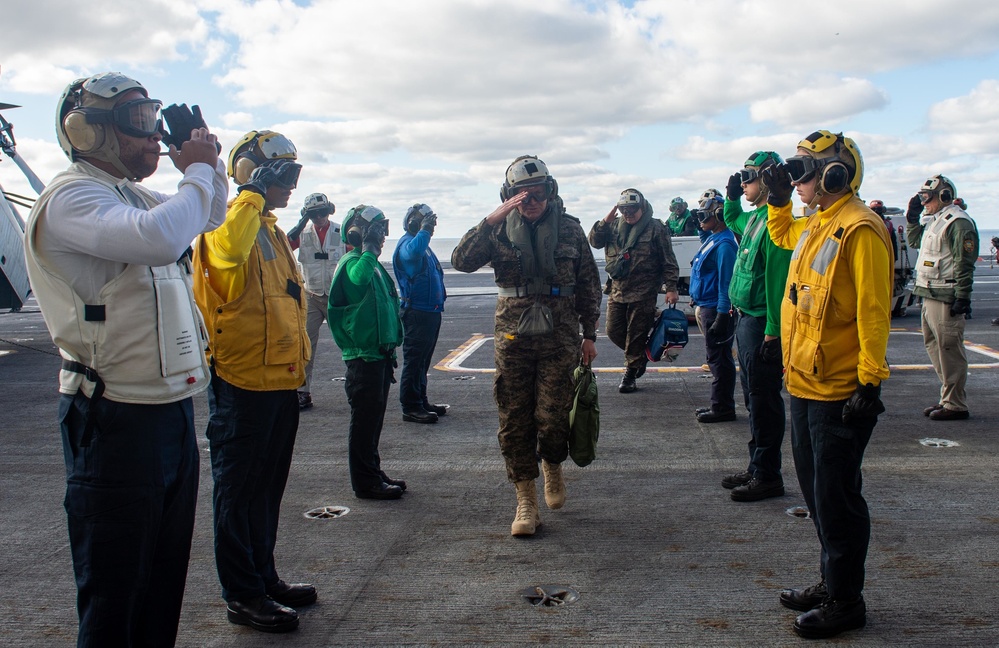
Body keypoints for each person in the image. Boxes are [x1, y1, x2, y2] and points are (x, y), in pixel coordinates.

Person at [24, 72, 227, 647]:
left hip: (166, 413)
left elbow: (207, 216)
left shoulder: (128, 195)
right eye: (138, 124)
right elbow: (162, 237)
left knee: (161, 584)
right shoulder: (72, 197)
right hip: (113, 419)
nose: (152, 138)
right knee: (116, 593)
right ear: (88, 132)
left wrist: (206, 158)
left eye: (153, 122)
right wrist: (194, 169)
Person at [764, 130, 893, 639]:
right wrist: (777, 201)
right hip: (803, 382)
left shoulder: (860, 229)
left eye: (803, 173)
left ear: (835, 174)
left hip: (839, 388)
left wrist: (871, 382)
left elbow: (874, 311)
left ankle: (846, 601)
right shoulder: (819, 224)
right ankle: (830, 578)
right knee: (817, 493)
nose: (797, 183)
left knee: (837, 497)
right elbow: (781, 236)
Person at [192, 130, 316, 634]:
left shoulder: (268, 229)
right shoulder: (224, 221)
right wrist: (250, 193)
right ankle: (242, 595)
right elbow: (224, 256)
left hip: (278, 383)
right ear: (250, 172)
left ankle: (264, 578)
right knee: (237, 497)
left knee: (266, 492)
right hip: (241, 384)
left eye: (292, 174)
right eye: (280, 175)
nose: (289, 186)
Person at [451, 155, 601, 537]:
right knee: (514, 419)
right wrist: (490, 220)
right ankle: (526, 501)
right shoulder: (497, 232)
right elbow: (461, 261)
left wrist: (589, 335)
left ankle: (552, 465)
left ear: (550, 192)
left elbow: (588, 282)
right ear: (508, 196)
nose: (530, 200)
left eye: (537, 193)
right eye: (521, 195)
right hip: (512, 339)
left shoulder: (569, 230)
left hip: (560, 338)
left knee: (553, 418)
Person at [721, 151, 792, 501]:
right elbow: (732, 219)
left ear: (766, 179)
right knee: (752, 398)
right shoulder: (755, 220)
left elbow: (779, 283)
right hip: (746, 318)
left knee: (764, 401)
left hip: (762, 321)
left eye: (748, 177)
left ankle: (767, 474)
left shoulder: (775, 225)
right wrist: (732, 197)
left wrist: (774, 332)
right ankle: (756, 466)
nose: (744, 183)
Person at [328, 205, 407, 498]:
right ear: (356, 233)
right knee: (364, 424)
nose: (382, 237)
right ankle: (366, 482)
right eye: (376, 232)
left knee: (373, 423)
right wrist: (368, 248)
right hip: (363, 358)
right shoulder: (353, 261)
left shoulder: (369, 262)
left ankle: (373, 471)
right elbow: (358, 280)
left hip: (378, 355)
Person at [588, 188, 678, 392]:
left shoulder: (656, 228)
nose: (628, 215)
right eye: (624, 210)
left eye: (632, 210)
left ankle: (630, 373)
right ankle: (641, 355)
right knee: (613, 330)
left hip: (644, 291)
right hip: (617, 290)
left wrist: (671, 287)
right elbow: (594, 241)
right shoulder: (613, 227)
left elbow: (668, 261)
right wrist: (605, 221)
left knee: (636, 334)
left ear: (642, 207)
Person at [905, 175, 979, 421]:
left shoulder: (959, 223)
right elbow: (914, 241)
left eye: (927, 198)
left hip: (945, 296)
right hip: (929, 293)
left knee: (949, 350)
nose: (924, 202)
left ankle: (956, 404)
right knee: (935, 348)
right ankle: (947, 398)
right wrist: (912, 218)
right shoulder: (935, 221)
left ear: (944, 196)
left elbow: (964, 264)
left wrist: (963, 297)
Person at [287, 192, 345, 410]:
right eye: (314, 214)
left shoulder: (341, 232)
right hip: (311, 295)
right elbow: (283, 244)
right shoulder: (302, 234)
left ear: (329, 211)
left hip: (335, 297)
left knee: (347, 344)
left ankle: (355, 386)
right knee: (306, 346)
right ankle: (302, 391)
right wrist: (302, 222)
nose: (319, 218)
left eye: (322, 212)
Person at [393, 203, 449, 423]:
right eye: (424, 222)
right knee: (415, 361)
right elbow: (412, 254)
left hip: (429, 311)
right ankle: (410, 406)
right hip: (417, 312)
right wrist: (424, 230)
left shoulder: (422, 244)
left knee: (423, 361)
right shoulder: (409, 243)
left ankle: (421, 400)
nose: (430, 228)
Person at [689, 193, 738, 423]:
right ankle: (720, 404)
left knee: (719, 359)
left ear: (718, 215)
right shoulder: (714, 238)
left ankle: (723, 408)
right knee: (715, 357)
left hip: (713, 309)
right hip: (705, 306)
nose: (701, 220)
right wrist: (699, 225)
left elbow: (725, 283)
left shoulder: (725, 244)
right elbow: (703, 245)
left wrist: (722, 314)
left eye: (704, 216)